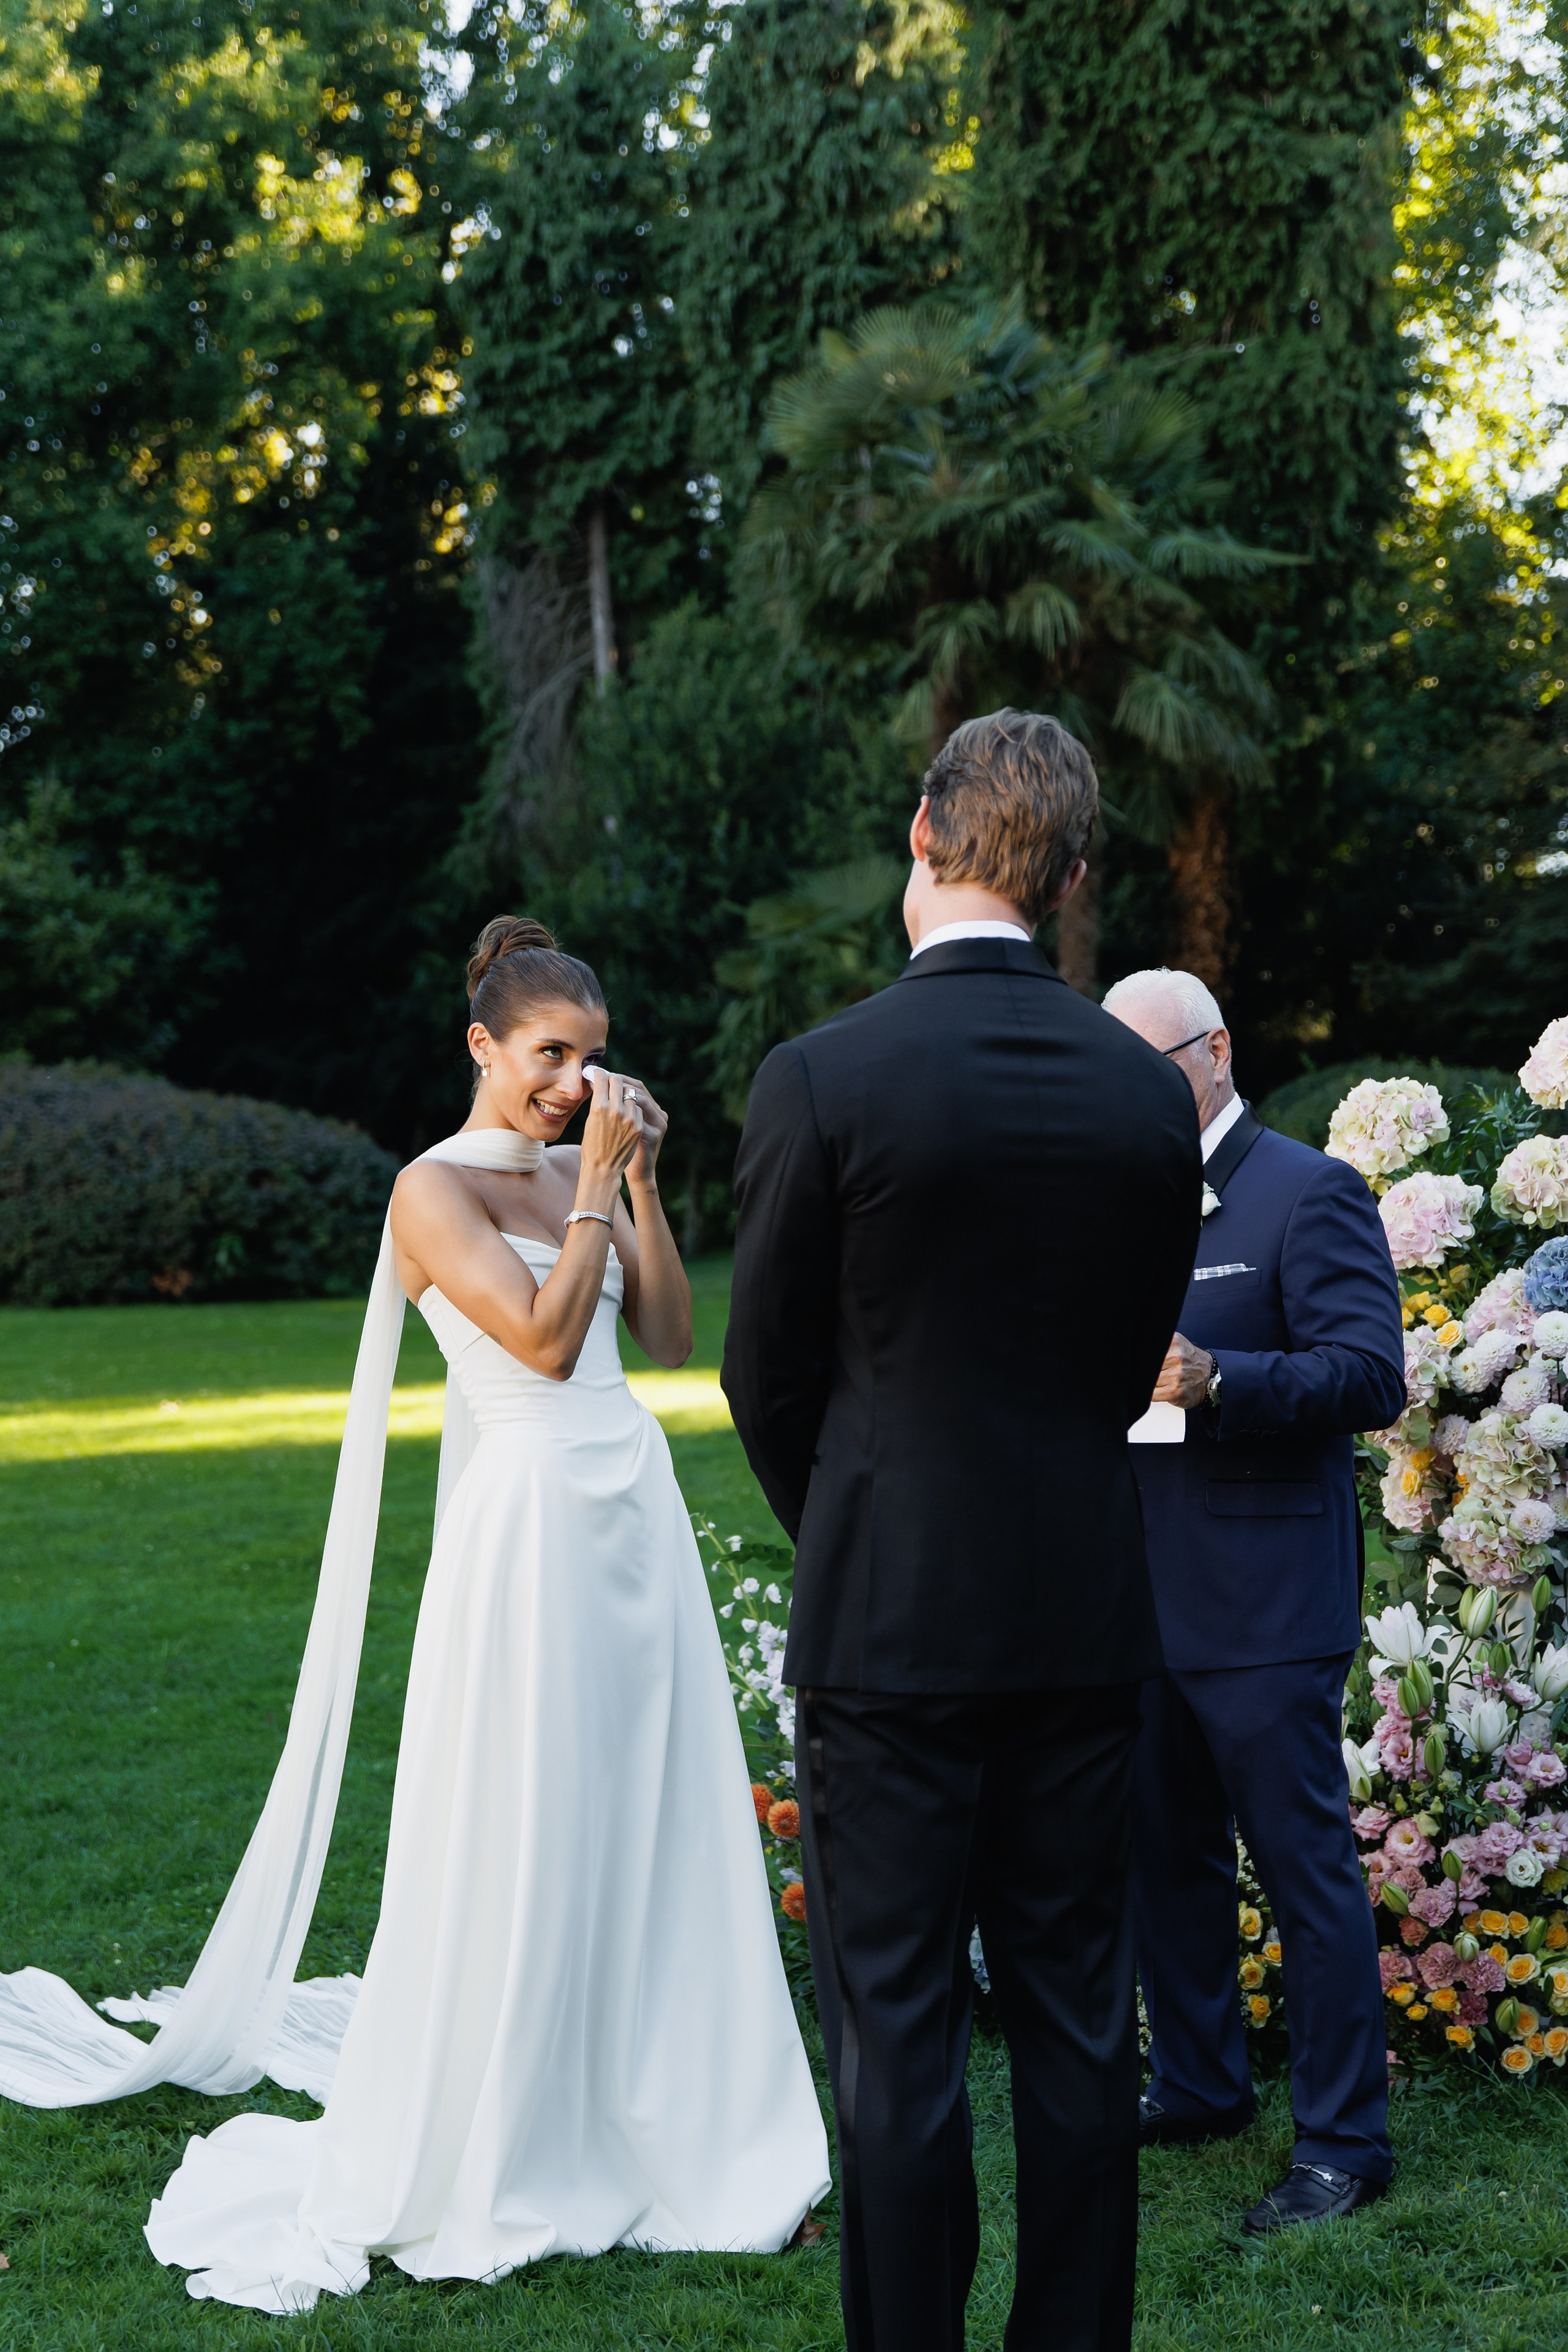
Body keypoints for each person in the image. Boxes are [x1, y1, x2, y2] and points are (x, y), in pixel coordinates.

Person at [0, 916, 829, 2311]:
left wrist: (641, 1187)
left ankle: (676, 2110)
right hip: (522, 1532)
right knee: (530, 1808)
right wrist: (590, 1191)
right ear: (483, 1047)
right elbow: (544, 1339)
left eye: (591, 1059)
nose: (571, 1082)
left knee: (652, 1806)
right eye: (548, 1055)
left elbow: (672, 1339)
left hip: (627, 1512)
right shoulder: (429, 1192)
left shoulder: (591, 1163)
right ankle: (519, 2119)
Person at [722, 712, 1203, 2352]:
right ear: (1068, 876)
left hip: (891, 1629)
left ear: (919, 841)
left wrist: (854, 1524)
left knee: (899, 2036)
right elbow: (1131, 1345)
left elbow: (766, 1371)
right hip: (1081, 1616)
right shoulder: (1148, 1100)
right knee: (1081, 2028)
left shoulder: (821, 1074)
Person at [1102, 966, 1405, 2236]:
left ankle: (1342, 2142)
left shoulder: (1308, 1191)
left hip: (1266, 1601)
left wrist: (1221, 1376)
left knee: (1303, 1877)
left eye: (1145, 1065)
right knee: (1163, 1864)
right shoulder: (1111, 1203)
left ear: (1213, 1050)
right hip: (1131, 1587)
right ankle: (1199, 2083)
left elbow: (1366, 1375)